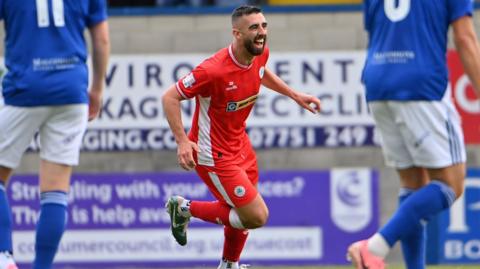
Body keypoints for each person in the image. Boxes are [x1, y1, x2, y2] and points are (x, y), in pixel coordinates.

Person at [162, 5, 321, 269]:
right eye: (254, 28)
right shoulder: (212, 71)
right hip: (212, 153)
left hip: (240, 145)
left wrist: (295, 95)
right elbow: (170, 97)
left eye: (264, 26)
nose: (261, 33)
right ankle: (183, 208)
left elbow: (260, 72)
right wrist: (181, 141)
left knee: (242, 212)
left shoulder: (259, 53)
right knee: (256, 216)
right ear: (236, 34)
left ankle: (229, 265)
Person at [348, 0, 480, 268]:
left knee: (412, 185)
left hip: (377, 83)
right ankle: (374, 247)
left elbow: (375, 32)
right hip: (421, 85)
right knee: (450, 185)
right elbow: (465, 38)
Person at [0, 1, 110, 269]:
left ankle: (4, 257)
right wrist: (96, 89)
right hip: (71, 90)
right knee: (55, 190)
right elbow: (102, 39)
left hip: (24, 88)